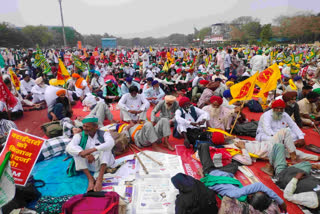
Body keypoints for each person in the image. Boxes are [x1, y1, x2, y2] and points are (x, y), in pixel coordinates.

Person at [197, 143, 287, 213]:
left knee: (204, 146)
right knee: (234, 166)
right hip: (226, 175)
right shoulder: (243, 201)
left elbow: (259, 186)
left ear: (251, 195)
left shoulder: (237, 194)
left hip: (211, 173)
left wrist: (281, 201)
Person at [66, 117, 115, 192]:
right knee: (76, 153)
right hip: (89, 164)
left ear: (96, 127)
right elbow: (69, 147)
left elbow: (111, 143)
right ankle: (90, 179)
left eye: (87, 126)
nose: (84, 128)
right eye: (84, 126)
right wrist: (84, 154)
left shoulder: (104, 134)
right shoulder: (80, 135)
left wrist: (92, 150)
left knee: (106, 149)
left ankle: (99, 179)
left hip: (104, 163)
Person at [267, 143, 320, 210]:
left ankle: (273, 167)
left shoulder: (314, 200)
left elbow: (288, 195)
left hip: (284, 175)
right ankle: (292, 165)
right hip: (299, 172)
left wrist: (296, 178)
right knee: (307, 164)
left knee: (278, 146)